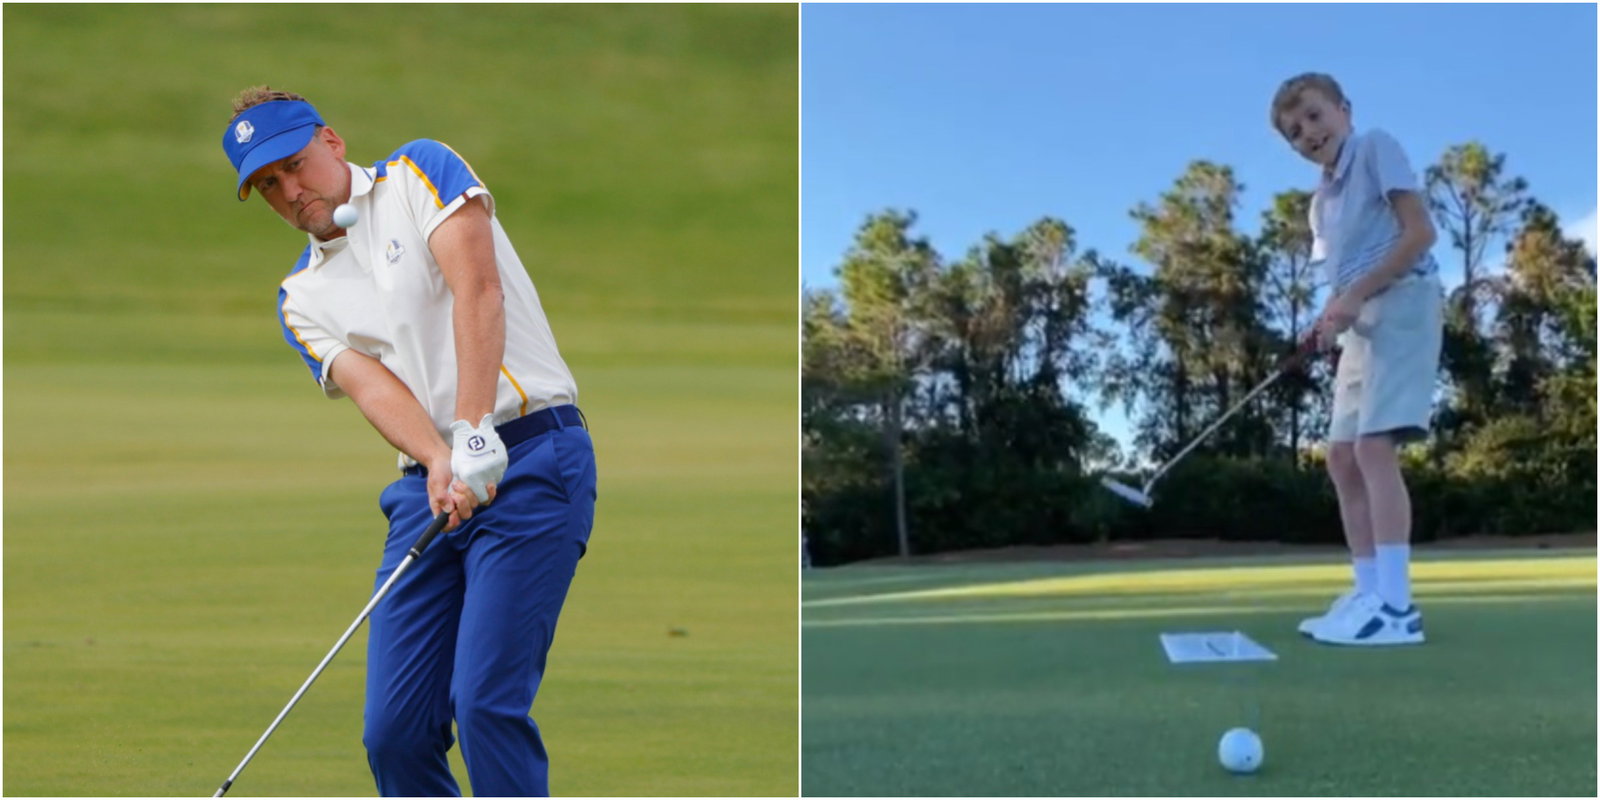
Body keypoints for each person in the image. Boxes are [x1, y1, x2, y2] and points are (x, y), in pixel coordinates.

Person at [221, 86, 598, 794]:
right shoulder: (300, 297)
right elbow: (373, 389)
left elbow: (477, 288)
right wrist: (436, 457)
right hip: (430, 490)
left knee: (484, 704)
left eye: (294, 164)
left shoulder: (419, 172)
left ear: (331, 141)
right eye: (267, 185)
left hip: (533, 458)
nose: (290, 190)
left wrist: (474, 428)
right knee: (394, 733)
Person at [1269, 73, 1442, 647]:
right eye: (1295, 132)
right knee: (1341, 458)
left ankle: (1397, 608)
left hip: (1404, 302)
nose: (1308, 133)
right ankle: (1368, 592)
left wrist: (1353, 295)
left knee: (1373, 447)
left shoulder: (1375, 148)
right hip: (1361, 322)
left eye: (1315, 117)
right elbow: (1339, 279)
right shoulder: (1321, 206)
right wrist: (1328, 318)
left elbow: (1420, 233)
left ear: (1344, 110)